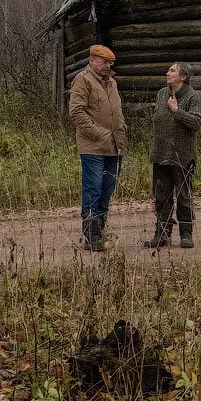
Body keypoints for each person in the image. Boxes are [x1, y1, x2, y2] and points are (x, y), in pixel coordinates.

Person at [69, 44, 126, 251]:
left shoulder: (112, 83)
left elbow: (116, 111)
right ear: (92, 60)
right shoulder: (83, 80)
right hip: (92, 146)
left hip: (114, 145)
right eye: (103, 62)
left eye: (110, 63)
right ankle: (91, 235)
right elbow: (76, 112)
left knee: (107, 188)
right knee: (93, 187)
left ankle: (99, 230)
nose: (106, 66)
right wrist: (98, 133)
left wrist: (121, 130)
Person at [145, 62, 201, 249]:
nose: (167, 73)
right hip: (161, 154)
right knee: (161, 195)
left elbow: (196, 123)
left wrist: (177, 111)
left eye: (172, 70)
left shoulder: (192, 96)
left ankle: (186, 234)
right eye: (168, 70)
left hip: (183, 155)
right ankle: (162, 234)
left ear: (183, 77)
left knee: (184, 196)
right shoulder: (162, 94)